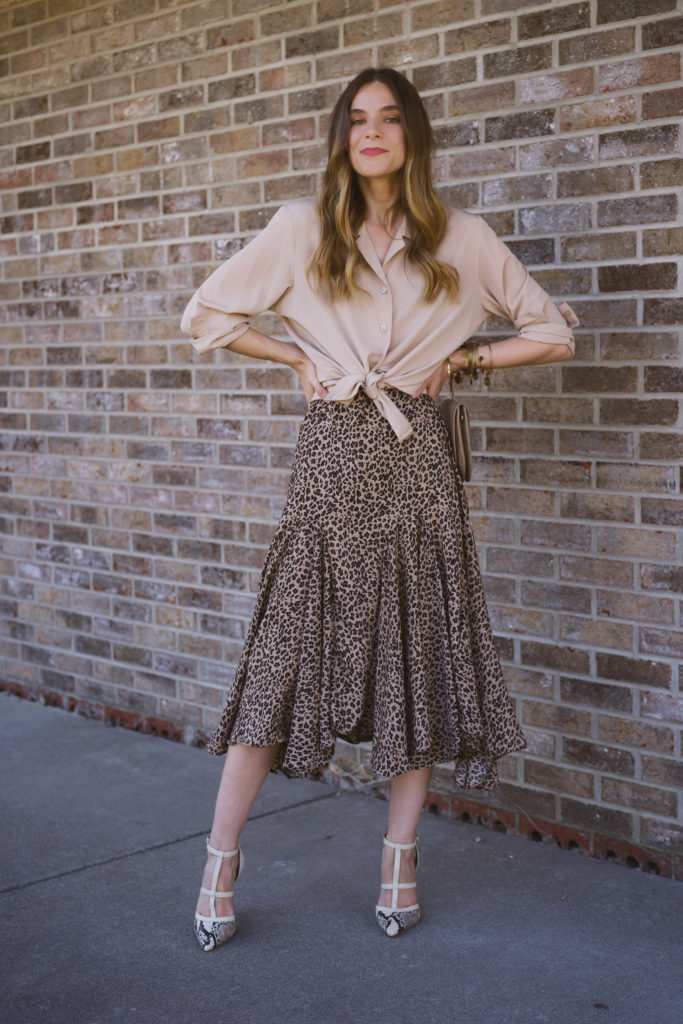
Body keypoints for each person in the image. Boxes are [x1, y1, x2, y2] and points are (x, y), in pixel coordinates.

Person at [181, 67, 577, 950]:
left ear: (412, 136)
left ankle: (399, 857)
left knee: (418, 658)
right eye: (357, 119)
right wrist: (291, 359)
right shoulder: (300, 228)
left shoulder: (460, 238)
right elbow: (204, 315)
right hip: (330, 460)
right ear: (341, 136)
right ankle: (219, 859)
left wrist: (463, 363)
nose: (372, 133)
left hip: (418, 463)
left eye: (389, 119)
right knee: (284, 655)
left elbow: (551, 330)